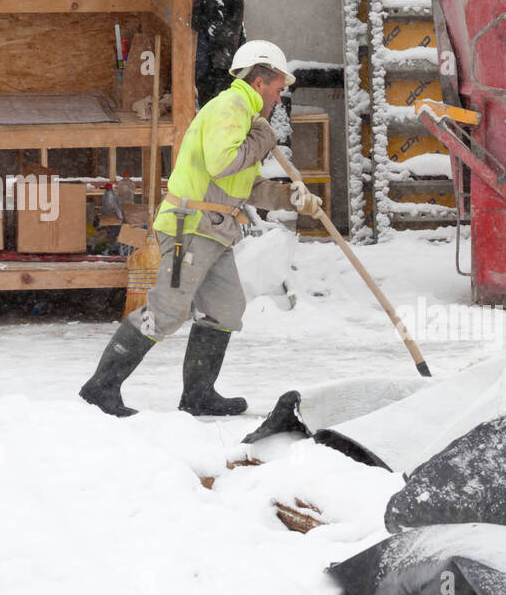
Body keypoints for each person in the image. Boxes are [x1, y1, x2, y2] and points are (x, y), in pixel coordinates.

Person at [80, 39, 324, 418]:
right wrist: (260, 140)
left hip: (215, 230)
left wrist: (290, 198)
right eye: (277, 90)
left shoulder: (245, 117)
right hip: (189, 228)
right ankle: (100, 388)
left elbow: (244, 185)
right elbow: (223, 163)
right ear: (259, 82)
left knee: (225, 309)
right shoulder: (232, 106)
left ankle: (199, 394)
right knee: (167, 312)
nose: (278, 99)